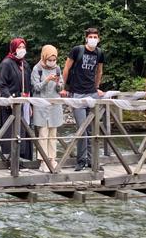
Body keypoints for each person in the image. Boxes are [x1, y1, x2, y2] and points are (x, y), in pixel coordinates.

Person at [61, 27, 105, 171]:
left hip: (91, 93)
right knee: (82, 128)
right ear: (86, 38)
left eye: (95, 36)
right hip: (77, 93)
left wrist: (97, 87)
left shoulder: (99, 53)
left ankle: (93, 160)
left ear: (98, 38)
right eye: (90, 36)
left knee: (92, 129)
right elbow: (67, 68)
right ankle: (81, 160)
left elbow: (99, 70)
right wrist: (63, 87)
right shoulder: (77, 50)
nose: (93, 39)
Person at [0, 37, 33, 166]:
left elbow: (29, 85)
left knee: (22, 130)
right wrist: (9, 98)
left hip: (24, 103)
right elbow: (2, 84)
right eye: (19, 47)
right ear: (13, 48)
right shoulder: (6, 63)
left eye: (23, 47)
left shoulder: (25, 64)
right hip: (10, 104)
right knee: (11, 131)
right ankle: (11, 160)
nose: (22, 50)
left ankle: (20, 158)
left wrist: (30, 103)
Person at [31, 45, 64, 168]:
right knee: (43, 133)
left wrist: (58, 83)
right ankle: (43, 160)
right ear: (44, 57)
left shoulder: (57, 69)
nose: (52, 62)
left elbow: (61, 87)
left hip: (54, 104)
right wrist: (46, 80)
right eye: (49, 60)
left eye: (54, 60)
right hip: (41, 105)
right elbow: (35, 87)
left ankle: (52, 158)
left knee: (53, 134)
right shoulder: (37, 69)